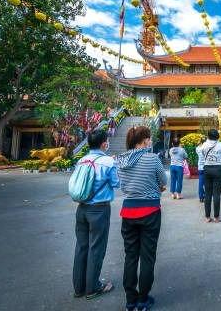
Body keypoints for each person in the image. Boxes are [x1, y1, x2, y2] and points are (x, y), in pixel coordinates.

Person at [116, 126, 168, 311]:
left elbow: (123, 185)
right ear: (145, 140)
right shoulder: (152, 158)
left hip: (128, 212)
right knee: (147, 256)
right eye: (149, 138)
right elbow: (164, 181)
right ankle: (143, 299)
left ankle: (131, 300)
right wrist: (157, 188)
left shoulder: (121, 160)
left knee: (130, 256)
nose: (151, 141)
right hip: (150, 212)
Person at [72, 129, 119, 300]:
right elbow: (116, 183)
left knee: (81, 247)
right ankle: (92, 287)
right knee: (96, 248)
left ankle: (79, 288)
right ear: (104, 143)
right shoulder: (107, 161)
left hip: (81, 208)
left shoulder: (81, 160)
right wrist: (114, 164)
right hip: (99, 209)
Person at [201, 129, 221, 223]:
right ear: (217, 136)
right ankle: (217, 217)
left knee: (207, 194)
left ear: (208, 136)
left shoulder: (204, 145)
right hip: (218, 169)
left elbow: (203, 153)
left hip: (207, 168)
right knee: (216, 194)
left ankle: (207, 217)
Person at [196, 135, 207, 203]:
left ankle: (201, 197)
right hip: (206, 167)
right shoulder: (207, 148)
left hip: (200, 167)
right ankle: (206, 195)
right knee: (207, 183)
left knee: (200, 182)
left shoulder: (197, 148)